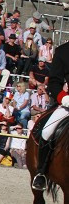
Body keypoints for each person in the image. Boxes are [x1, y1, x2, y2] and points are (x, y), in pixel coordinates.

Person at [30, 41, 69, 190]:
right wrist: (64, 98)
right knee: (46, 131)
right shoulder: (63, 51)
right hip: (67, 103)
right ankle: (41, 172)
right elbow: (54, 82)